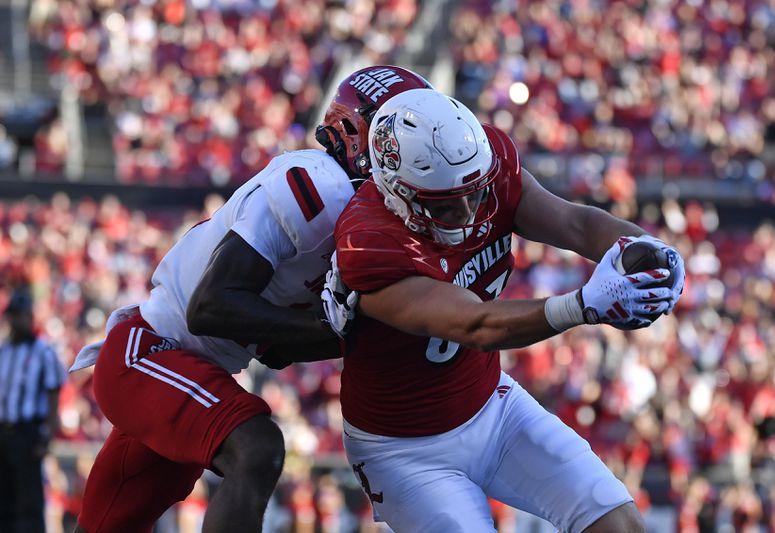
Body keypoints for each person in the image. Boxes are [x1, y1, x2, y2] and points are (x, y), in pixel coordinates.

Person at [69, 65, 432, 533]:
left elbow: (276, 351)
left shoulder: (359, 219)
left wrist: (365, 334)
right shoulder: (320, 185)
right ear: (359, 134)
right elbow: (211, 306)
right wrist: (337, 328)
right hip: (151, 352)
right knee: (257, 448)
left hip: (193, 369)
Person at [329, 89, 686, 532]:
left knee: (619, 524)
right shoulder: (369, 241)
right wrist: (582, 306)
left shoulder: (486, 167)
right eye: (444, 203)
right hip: (404, 450)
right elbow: (475, 323)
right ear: (397, 193)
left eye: (473, 194)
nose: (466, 211)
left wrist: (645, 249)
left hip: (492, 404)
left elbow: (574, 222)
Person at [0, 288, 66, 533]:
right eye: (12, 316)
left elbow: (53, 396)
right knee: (4, 498)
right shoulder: (3, 351)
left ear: (29, 318)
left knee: (29, 502)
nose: (14, 321)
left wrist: (47, 437)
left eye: (18, 316)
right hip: (2, 432)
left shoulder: (44, 352)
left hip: (27, 434)